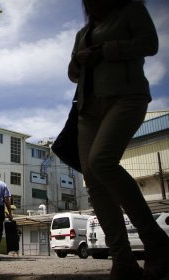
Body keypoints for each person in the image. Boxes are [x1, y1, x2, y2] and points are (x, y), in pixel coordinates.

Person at [68, 0, 169, 279]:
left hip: (126, 96)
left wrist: (107, 50)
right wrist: (79, 60)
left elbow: (150, 43)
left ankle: (156, 241)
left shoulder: (131, 9)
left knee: (102, 161)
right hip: (88, 109)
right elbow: (72, 74)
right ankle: (122, 259)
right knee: (93, 181)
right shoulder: (83, 33)